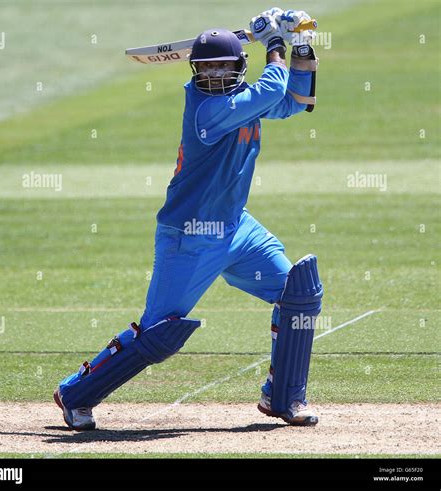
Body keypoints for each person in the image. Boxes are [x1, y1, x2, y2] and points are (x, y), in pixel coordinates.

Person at [54, 8, 323, 430]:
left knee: (298, 294)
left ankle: (284, 397)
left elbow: (296, 102)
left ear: (239, 67)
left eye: (223, 65)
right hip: (189, 235)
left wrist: (301, 43)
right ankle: (75, 393)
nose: (215, 73)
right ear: (195, 70)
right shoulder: (208, 111)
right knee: (159, 333)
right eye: (207, 66)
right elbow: (273, 91)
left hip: (236, 227)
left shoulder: (241, 102)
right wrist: (275, 42)